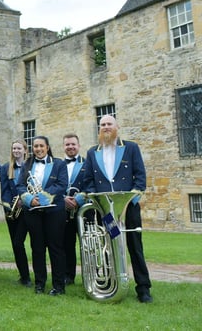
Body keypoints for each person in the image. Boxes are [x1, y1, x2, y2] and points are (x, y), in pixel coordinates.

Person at [82, 114, 153, 303]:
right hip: (107, 211)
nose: (106, 127)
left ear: (117, 126)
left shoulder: (130, 148)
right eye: (103, 124)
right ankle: (108, 284)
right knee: (108, 246)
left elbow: (140, 177)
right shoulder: (92, 152)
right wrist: (98, 202)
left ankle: (143, 288)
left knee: (135, 247)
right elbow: (88, 180)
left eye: (109, 124)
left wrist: (132, 200)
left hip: (128, 208)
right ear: (99, 128)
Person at [15, 135, 68, 296]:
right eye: (35, 146)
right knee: (37, 249)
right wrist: (31, 199)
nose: (38, 149)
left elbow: (62, 185)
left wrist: (43, 197)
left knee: (56, 249)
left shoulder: (59, 164)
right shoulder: (27, 165)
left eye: (41, 146)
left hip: (54, 212)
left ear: (47, 147)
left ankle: (58, 286)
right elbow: (20, 185)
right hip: (33, 212)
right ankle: (39, 284)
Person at [0, 139, 31, 287]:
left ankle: (38, 275)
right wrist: (9, 208)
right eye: (14, 149)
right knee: (17, 244)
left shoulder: (32, 166)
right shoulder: (7, 168)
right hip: (14, 213)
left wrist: (25, 200)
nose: (16, 151)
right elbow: (4, 192)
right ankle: (25, 276)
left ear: (25, 150)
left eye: (19, 148)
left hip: (29, 210)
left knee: (36, 244)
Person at [61, 133, 86, 285]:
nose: (70, 147)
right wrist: (63, 199)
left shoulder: (88, 163)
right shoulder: (58, 166)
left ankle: (91, 275)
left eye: (73, 144)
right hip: (64, 212)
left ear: (78, 146)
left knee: (87, 245)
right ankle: (68, 276)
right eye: (67, 144)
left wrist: (78, 199)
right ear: (63, 147)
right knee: (66, 245)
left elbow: (91, 184)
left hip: (84, 212)